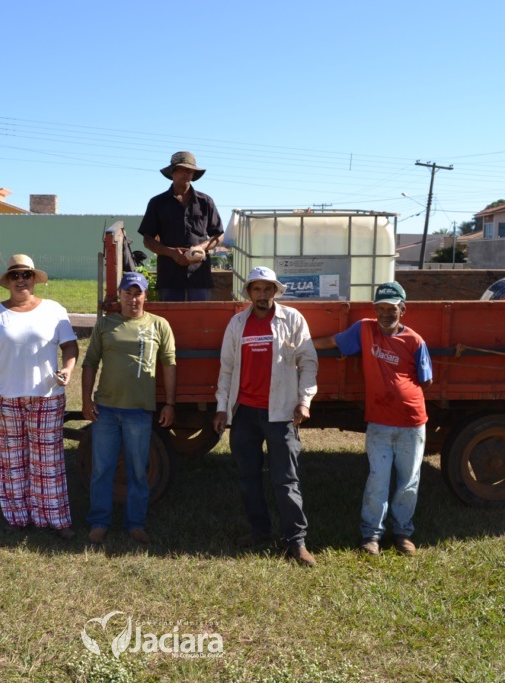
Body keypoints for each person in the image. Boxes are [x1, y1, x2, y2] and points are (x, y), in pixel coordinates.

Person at [312, 282, 433, 556]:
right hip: (379, 422)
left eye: (392, 309)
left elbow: (426, 380)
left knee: (408, 481)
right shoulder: (365, 329)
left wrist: (401, 393)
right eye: (380, 308)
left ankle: (402, 533)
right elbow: (333, 341)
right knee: (378, 480)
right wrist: (300, 346)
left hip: (412, 423)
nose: (385, 314)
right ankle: (371, 536)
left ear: (403, 309)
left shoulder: (415, 341)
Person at [213, 267, 318, 567]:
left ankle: (296, 542)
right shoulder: (237, 323)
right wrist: (222, 407)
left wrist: (304, 401)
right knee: (248, 477)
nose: (262, 295)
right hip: (245, 412)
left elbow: (308, 362)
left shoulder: (292, 319)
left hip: (281, 413)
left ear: (275, 291)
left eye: (267, 289)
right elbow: (227, 368)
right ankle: (260, 532)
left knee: (286, 480)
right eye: (257, 289)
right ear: (249, 293)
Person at [0, 255, 79, 539]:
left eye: (26, 275)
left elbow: (70, 347)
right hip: (4, 398)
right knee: (11, 463)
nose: (21, 280)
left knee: (49, 463)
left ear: (34, 279)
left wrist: (67, 369)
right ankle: (17, 518)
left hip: (46, 397)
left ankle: (55, 519)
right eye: (15, 275)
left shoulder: (54, 310)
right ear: (7, 281)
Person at [82, 272, 176, 545]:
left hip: (139, 411)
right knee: (102, 469)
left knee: (137, 469)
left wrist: (170, 403)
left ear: (145, 296)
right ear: (120, 295)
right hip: (106, 410)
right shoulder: (106, 324)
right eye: (128, 293)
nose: (132, 299)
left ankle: (135, 523)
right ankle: (99, 522)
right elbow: (90, 363)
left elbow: (169, 364)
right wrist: (86, 400)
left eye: (138, 293)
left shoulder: (158, 325)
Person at [137, 151, 223, 302]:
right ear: (172, 172)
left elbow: (218, 235)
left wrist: (201, 248)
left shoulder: (206, 202)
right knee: (171, 315)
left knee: (201, 315)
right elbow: (148, 240)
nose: (186, 173)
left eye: (189, 170)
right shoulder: (157, 203)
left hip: (199, 275)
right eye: (181, 169)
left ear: (193, 174)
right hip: (170, 275)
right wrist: (172, 253)